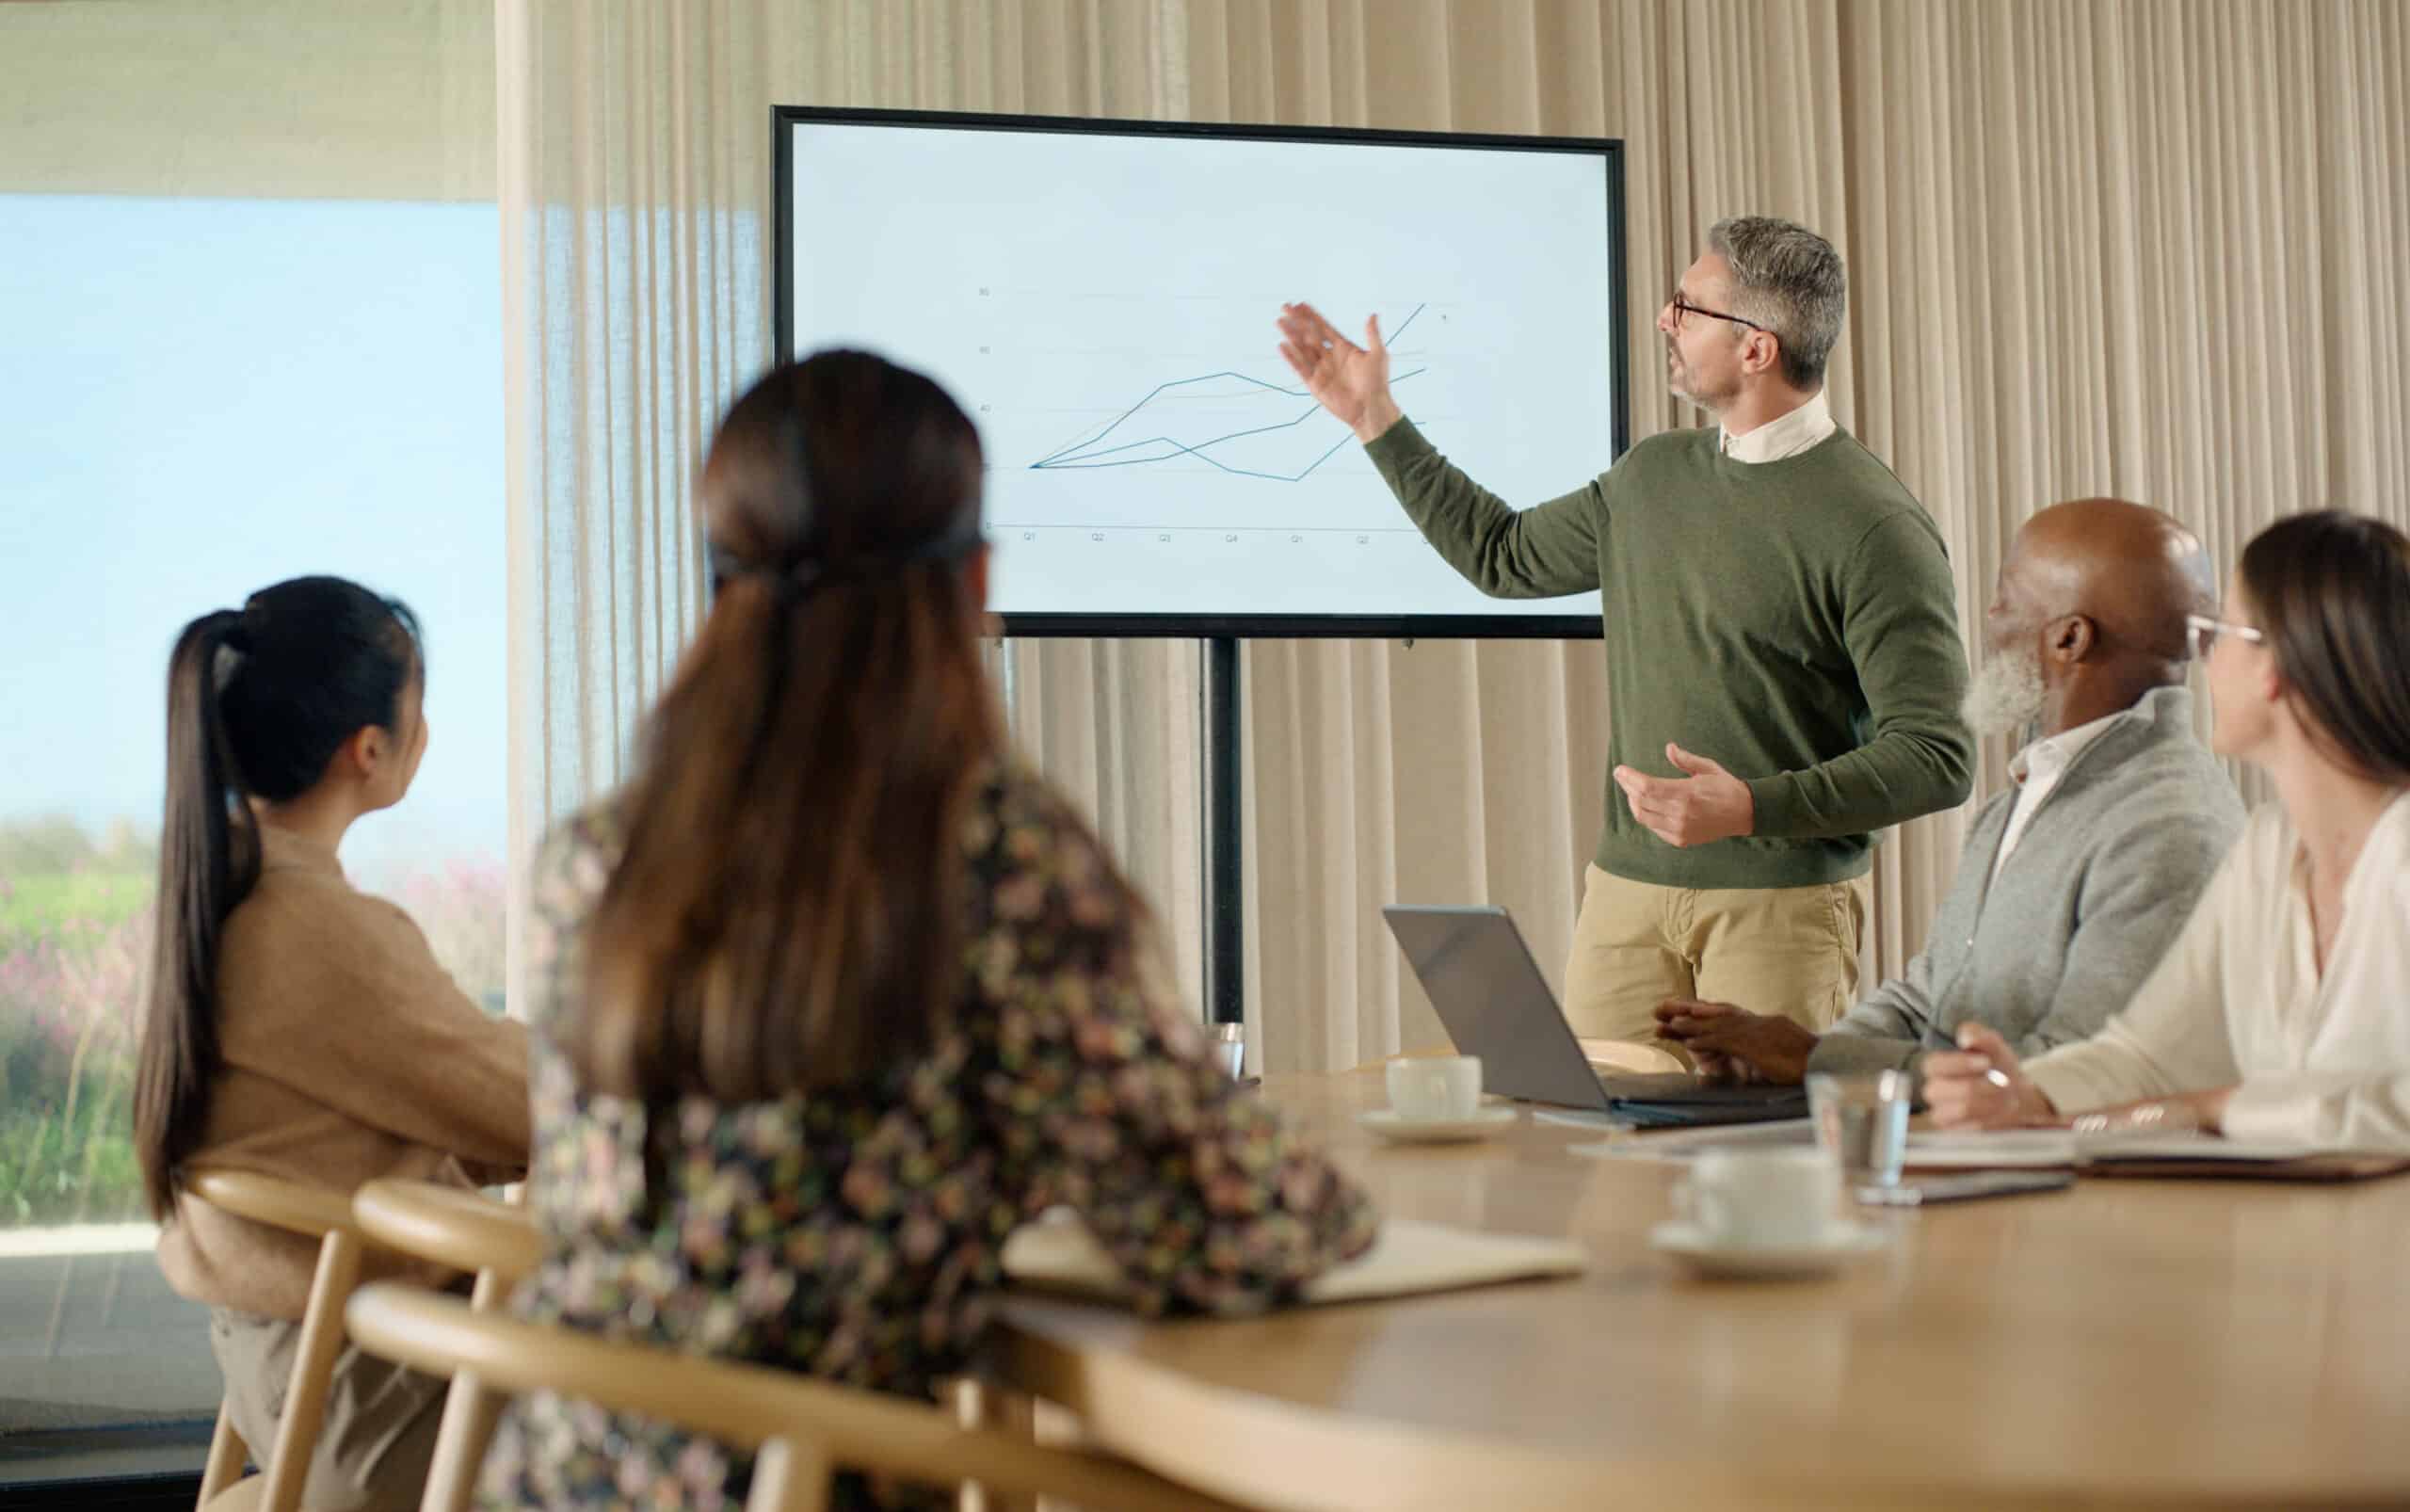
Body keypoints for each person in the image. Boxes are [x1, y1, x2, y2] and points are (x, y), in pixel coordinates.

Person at [478, 351, 1377, 1512]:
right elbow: (1228, 1228)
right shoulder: (983, 854)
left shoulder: (591, 857)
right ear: (975, 580)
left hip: (552, 1479)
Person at [1276, 216, 1973, 1056]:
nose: (1664, 321)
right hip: (1623, 901)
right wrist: (1376, 419)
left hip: (1780, 910)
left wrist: (1753, 806)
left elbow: (1937, 754)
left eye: (1689, 307)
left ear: (1757, 349)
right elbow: (1501, 557)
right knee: (1602, 1163)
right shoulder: (1651, 478)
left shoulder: (1875, 525)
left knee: (1756, 1168)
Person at [135, 576, 529, 1512]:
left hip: (290, 1389)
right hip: (383, 1413)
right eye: (417, 707)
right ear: (371, 748)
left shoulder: (210, 899)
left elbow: (431, 1098)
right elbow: (531, 1104)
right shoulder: (317, 929)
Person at [1652, 498, 2245, 1083]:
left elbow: (2073, 1073)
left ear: (2070, 640)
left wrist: (1817, 1062)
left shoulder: (2168, 829)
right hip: (1951, 1144)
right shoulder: (2026, 791)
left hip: (2045, 1168)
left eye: (2007, 599)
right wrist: (1795, 1057)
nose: (1990, 617)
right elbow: (1929, 999)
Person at [1923, 510, 2410, 1146]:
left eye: (2220, 632)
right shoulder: (2268, 852)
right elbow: (2148, 1056)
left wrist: (2215, 1108)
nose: (2200, 656)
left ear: (2276, 666)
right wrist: (2027, 1094)